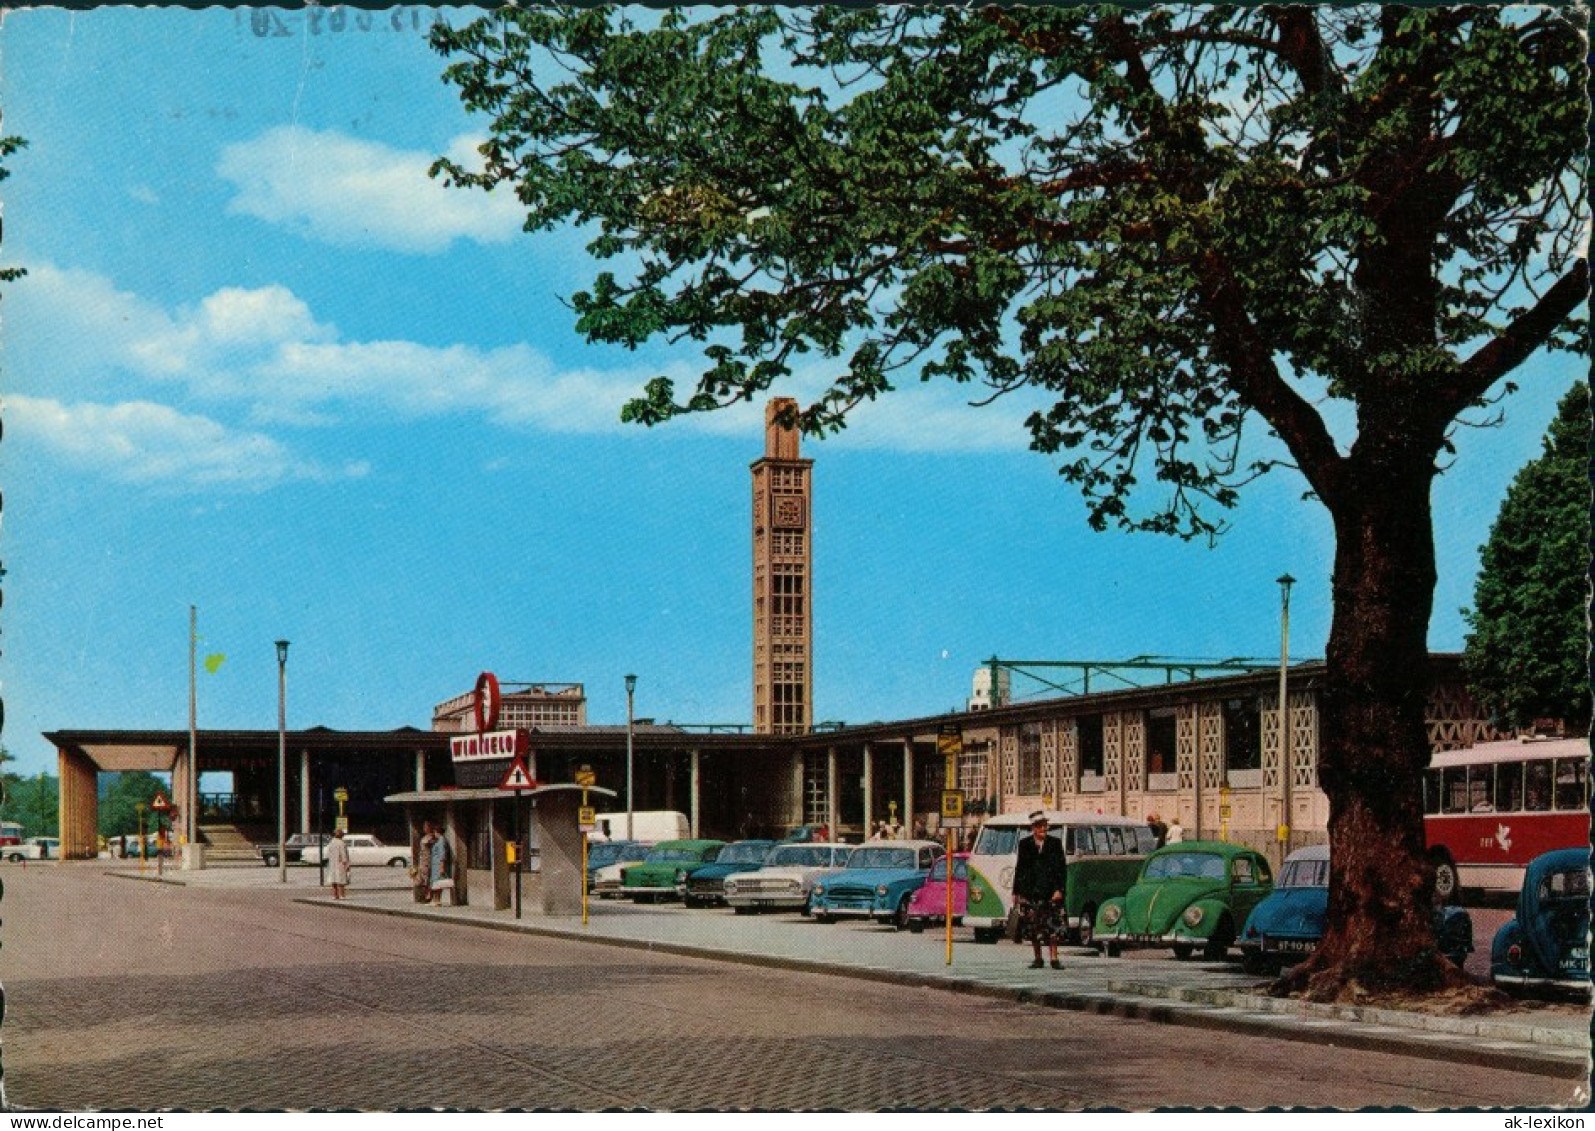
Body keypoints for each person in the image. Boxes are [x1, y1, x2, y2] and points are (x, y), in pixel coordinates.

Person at [1012, 810, 1067, 970]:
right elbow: (1020, 869)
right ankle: (1038, 958)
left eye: (1045, 826)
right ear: (1033, 828)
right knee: (1033, 926)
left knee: (1053, 926)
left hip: (1050, 892)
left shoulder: (1055, 844)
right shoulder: (1025, 844)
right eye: (1040, 826)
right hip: (1030, 892)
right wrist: (1017, 892)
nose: (1044, 829)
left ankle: (1054, 958)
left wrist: (1059, 889)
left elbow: (1061, 869)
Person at [427, 821, 455, 906]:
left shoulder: (442, 840)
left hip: (439, 865)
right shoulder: (438, 840)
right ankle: (435, 900)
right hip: (435, 865)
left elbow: (442, 854)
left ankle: (438, 900)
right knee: (435, 883)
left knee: (438, 884)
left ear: (436, 831)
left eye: (434, 832)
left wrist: (442, 866)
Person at [326, 828, 352, 900]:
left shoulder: (331, 843)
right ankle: (342, 895)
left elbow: (328, 854)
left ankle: (335, 895)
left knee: (333, 879)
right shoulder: (341, 843)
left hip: (332, 863)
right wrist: (346, 864)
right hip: (340, 863)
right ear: (341, 835)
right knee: (341, 880)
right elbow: (343, 854)